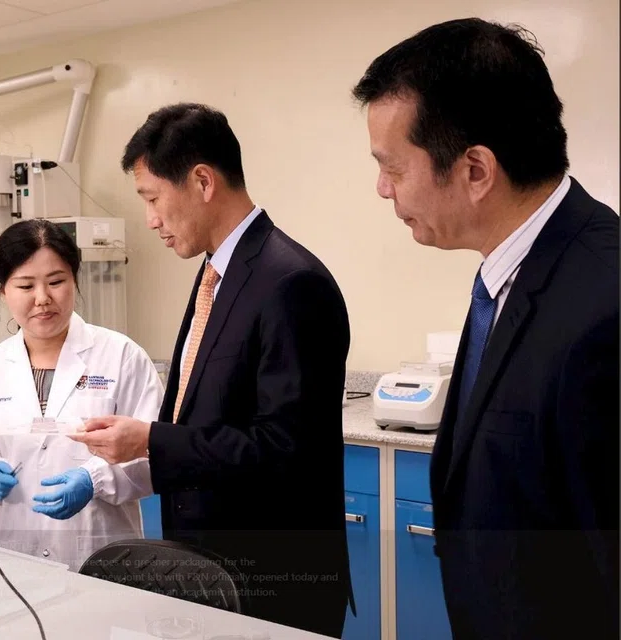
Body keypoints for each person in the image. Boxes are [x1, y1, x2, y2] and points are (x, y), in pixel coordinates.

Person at [352, 18, 619, 640]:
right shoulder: (512, 274)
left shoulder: (603, 305)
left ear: (475, 170)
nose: (382, 189)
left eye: (393, 167)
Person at [71, 103, 353, 637]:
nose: (150, 220)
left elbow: (284, 449)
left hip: (272, 579)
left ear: (202, 181)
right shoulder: (217, 274)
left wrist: (151, 439)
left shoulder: (290, 282)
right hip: (207, 569)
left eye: (152, 198)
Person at [0, 218, 164, 571]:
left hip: (102, 552)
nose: (42, 298)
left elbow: (154, 453)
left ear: (75, 280)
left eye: (56, 281)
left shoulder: (122, 356)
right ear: (3, 292)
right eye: (25, 285)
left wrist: (94, 479)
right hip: (16, 556)